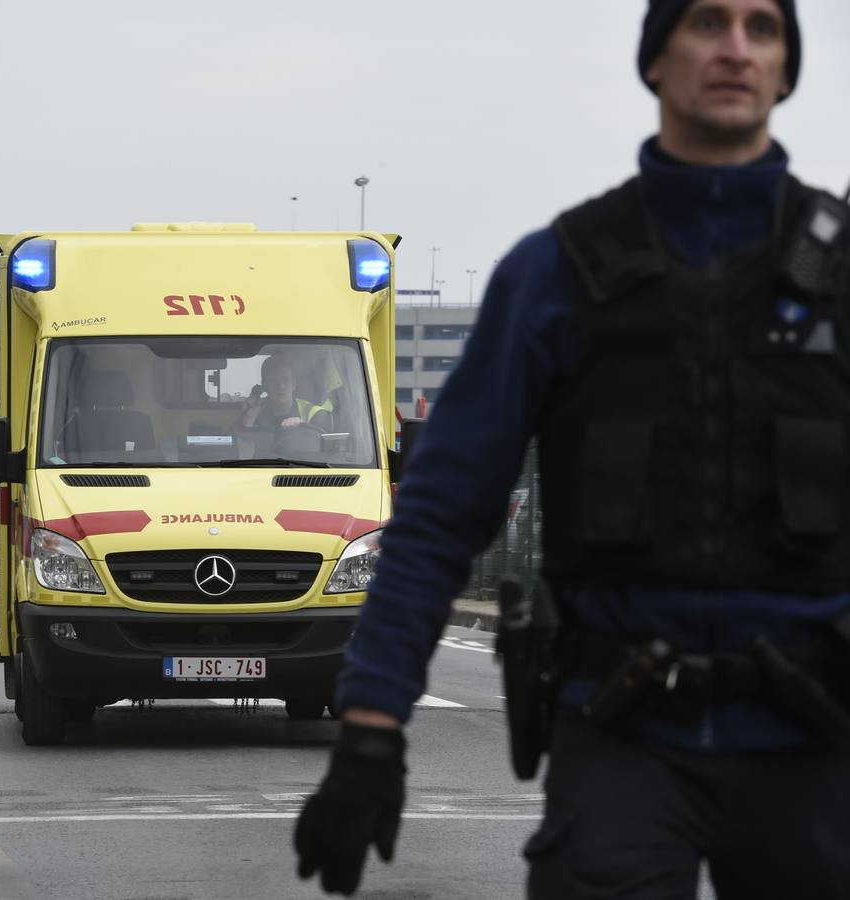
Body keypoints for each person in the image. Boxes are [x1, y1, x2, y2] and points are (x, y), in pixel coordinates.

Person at [295, 2, 850, 897]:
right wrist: (370, 725)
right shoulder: (556, 275)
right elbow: (439, 518)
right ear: (653, 60)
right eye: (708, 22)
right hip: (624, 735)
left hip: (816, 740)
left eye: (764, 27)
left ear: (786, 69)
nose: (737, 48)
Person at [237, 355, 333, 433]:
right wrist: (248, 419)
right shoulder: (255, 414)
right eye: (273, 381)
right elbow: (241, 453)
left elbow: (325, 451)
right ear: (265, 386)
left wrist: (303, 428)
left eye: (286, 380)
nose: (280, 386)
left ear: (294, 384)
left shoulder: (315, 414)